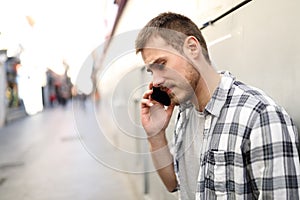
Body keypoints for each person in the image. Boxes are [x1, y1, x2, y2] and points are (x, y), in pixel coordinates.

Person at [135, 12, 300, 199]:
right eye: (151, 72)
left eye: (161, 64)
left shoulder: (259, 116)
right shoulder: (185, 112)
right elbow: (173, 184)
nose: (156, 81)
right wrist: (155, 136)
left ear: (192, 47)